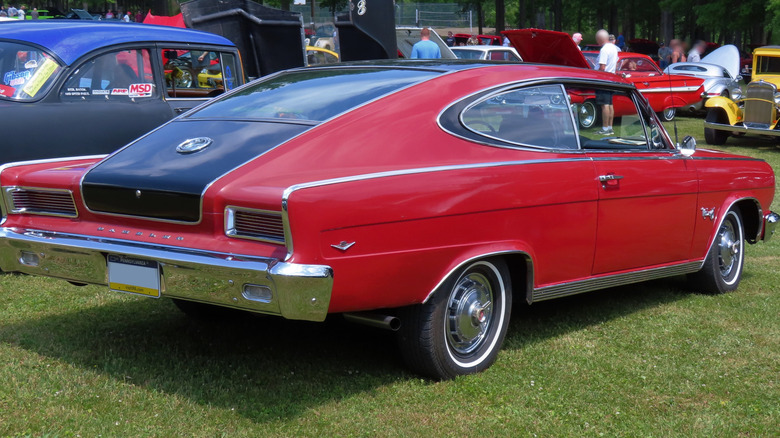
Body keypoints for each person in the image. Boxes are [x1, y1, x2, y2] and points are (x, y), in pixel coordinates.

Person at [594, 29, 619, 135]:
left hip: (603, 79)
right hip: (611, 78)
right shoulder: (614, 48)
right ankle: (610, 127)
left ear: (599, 39)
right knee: (609, 104)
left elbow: (602, 67)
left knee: (604, 105)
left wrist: (595, 75)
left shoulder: (604, 49)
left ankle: (604, 128)